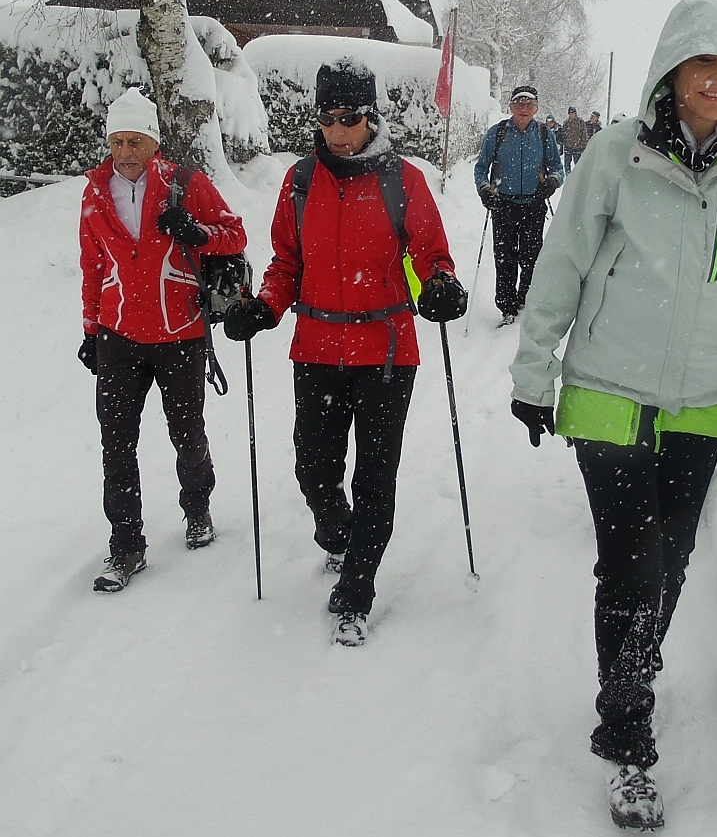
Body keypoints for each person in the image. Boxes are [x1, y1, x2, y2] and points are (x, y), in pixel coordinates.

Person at [508, 0, 717, 831]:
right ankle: (628, 730)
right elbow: (561, 262)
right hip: (607, 389)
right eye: (704, 62)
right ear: (672, 67)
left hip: (704, 401)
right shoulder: (615, 154)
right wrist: (535, 372)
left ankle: (633, 663)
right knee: (633, 563)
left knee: (671, 565)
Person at [223, 58, 467, 646]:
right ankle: (337, 534)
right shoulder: (301, 180)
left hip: (386, 353)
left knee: (375, 477)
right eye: (327, 118)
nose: (338, 130)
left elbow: (431, 253)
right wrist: (264, 306)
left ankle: (356, 589)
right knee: (314, 470)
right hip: (316, 348)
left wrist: (440, 285)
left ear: (370, 117)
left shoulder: (402, 180)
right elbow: (287, 263)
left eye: (349, 118)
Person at [78, 87, 247, 593]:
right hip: (118, 336)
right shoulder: (94, 191)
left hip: (179, 335)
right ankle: (126, 544)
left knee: (186, 431)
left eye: (136, 141)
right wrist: (91, 329)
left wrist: (197, 233)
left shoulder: (185, 183)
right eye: (117, 141)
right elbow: (93, 267)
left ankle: (198, 509)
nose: (125, 152)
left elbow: (235, 234)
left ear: (154, 144)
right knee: (116, 443)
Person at [474, 85, 563, 327]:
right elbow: (481, 168)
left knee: (532, 257)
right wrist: (484, 190)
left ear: (536, 108)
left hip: (534, 204)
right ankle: (507, 307)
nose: (523, 108)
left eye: (528, 104)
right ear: (511, 106)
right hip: (503, 204)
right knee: (505, 258)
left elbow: (557, 168)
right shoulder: (498, 133)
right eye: (519, 103)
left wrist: (553, 182)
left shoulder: (544, 134)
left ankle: (525, 300)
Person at [560, 106, 589, 174]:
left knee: (578, 164)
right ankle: (568, 176)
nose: (571, 115)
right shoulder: (566, 123)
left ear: (575, 114)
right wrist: (563, 143)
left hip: (577, 147)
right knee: (567, 164)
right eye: (570, 114)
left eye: (573, 114)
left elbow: (584, 134)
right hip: (568, 146)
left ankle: (577, 176)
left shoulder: (580, 122)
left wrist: (583, 145)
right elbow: (563, 134)